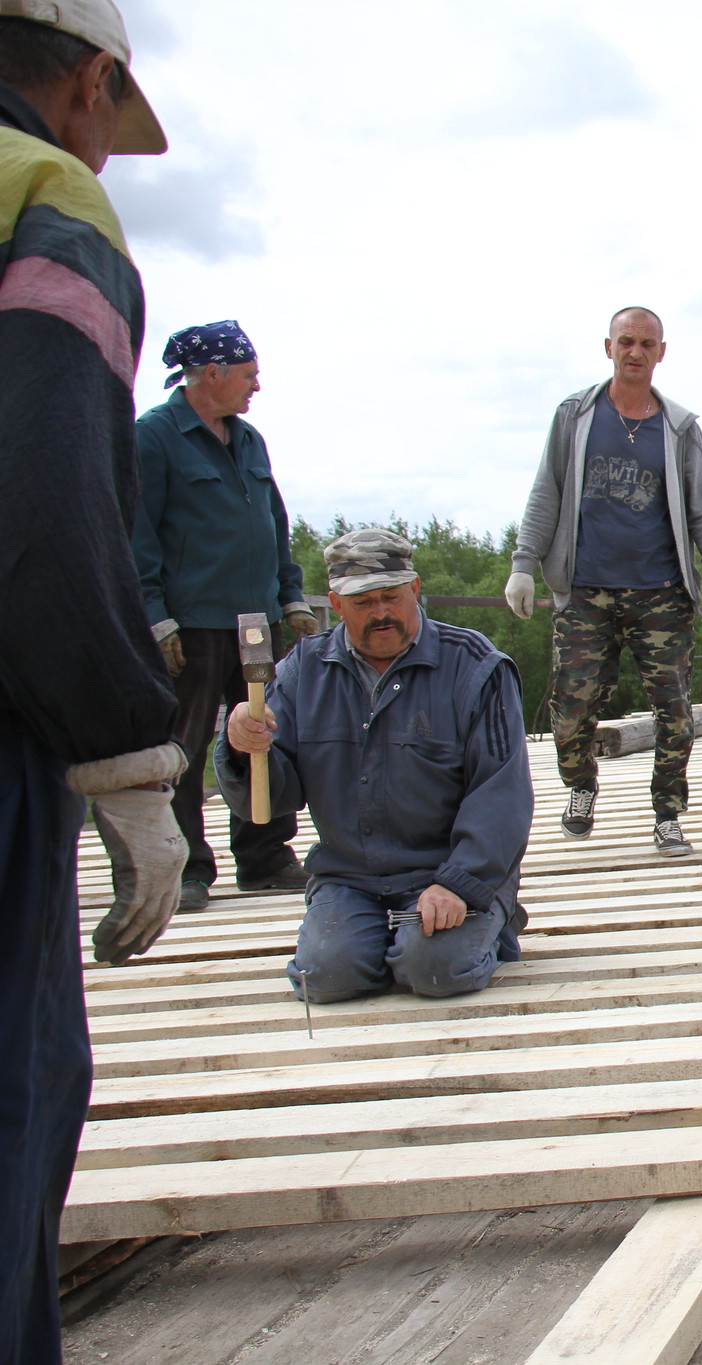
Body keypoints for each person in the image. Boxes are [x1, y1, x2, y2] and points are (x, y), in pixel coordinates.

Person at [0, 3, 180, 1355]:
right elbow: (53, 509)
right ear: (91, 82)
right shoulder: (41, 198)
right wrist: (126, 755)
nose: (106, 157)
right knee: (20, 1085)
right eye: (111, 126)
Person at [220, 530, 532, 1003]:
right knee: (326, 977)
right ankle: (388, 939)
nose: (381, 613)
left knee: (436, 971)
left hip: (447, 870)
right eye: (364, 602)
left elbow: (503, 793)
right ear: (336, 604)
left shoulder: (475, 666)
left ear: (416, 589)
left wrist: (460, 884)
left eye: (392, 597)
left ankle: (490, 913)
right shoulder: (301, 670)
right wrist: (244, 748)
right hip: (350, 875)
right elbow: (271, 800)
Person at [507, 307, 702, 856]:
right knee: (572, 704)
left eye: (646, 344)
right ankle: (581, 784)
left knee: (674, 709)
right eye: (626, 342)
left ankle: (668, 813)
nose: (636, 352)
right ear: (608, 348)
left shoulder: (679, 427)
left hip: (662, 592)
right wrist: (523, 563)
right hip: (586, 589)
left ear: (661, 352)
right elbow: (547, 492)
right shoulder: (575, 416)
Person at [134, 320, 315, 910]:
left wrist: (290, 594)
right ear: (211, 374)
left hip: (255, 620)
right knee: (181, 748)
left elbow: (273, 523)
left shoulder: (249, 439)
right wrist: (155, 618)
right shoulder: (153, 438)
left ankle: (264, 857)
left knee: (266, 734)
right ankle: (185, 869)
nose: (256, 386)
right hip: (190, 623)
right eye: (248, 374)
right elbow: (135, 537)